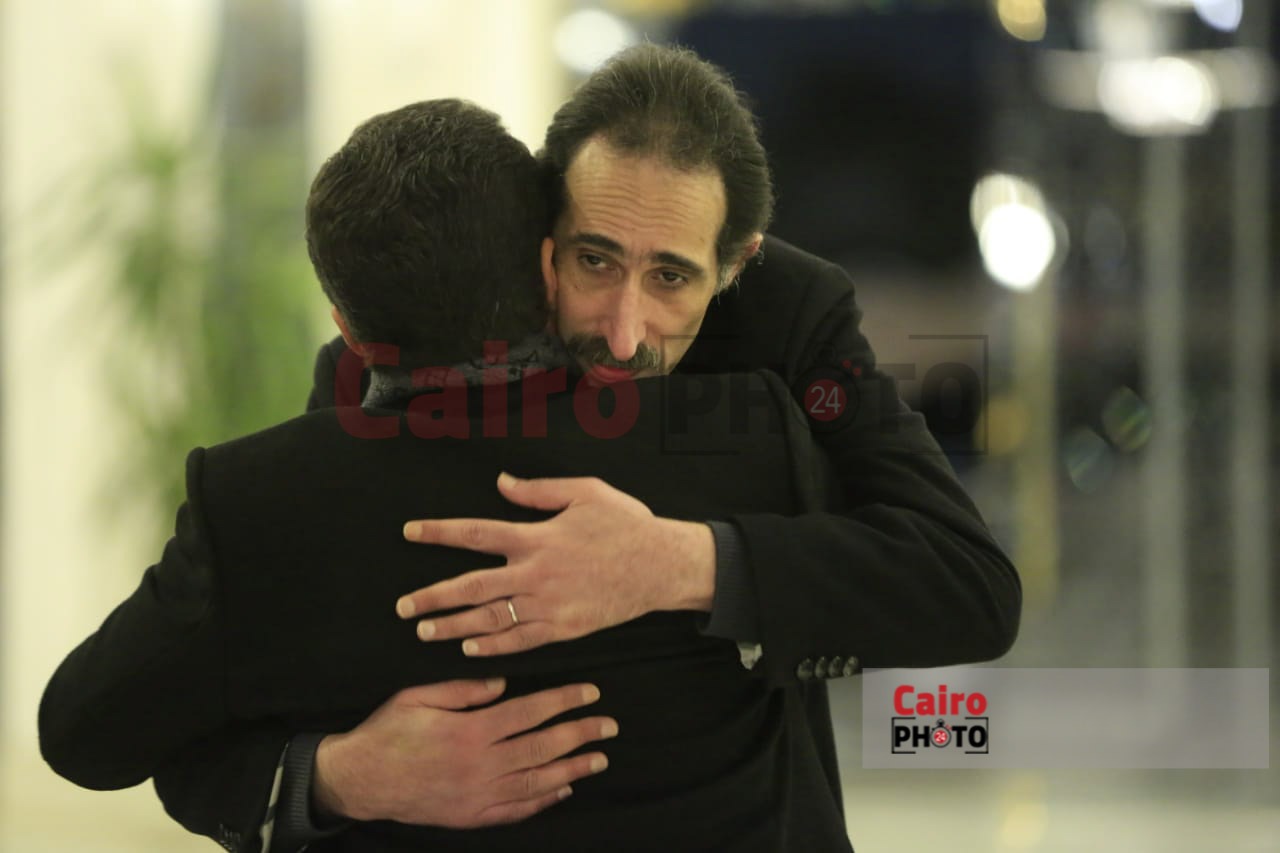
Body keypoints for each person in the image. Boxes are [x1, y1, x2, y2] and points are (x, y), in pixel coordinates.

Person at [75, 44, 1021, 851]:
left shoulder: (792, 322)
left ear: (737, 264)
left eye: (672, 279)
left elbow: (966, 584)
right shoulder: (387, 358)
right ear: (539, 232)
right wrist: (341, 774)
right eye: (593, 259)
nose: (622, 332)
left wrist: (680, 562)